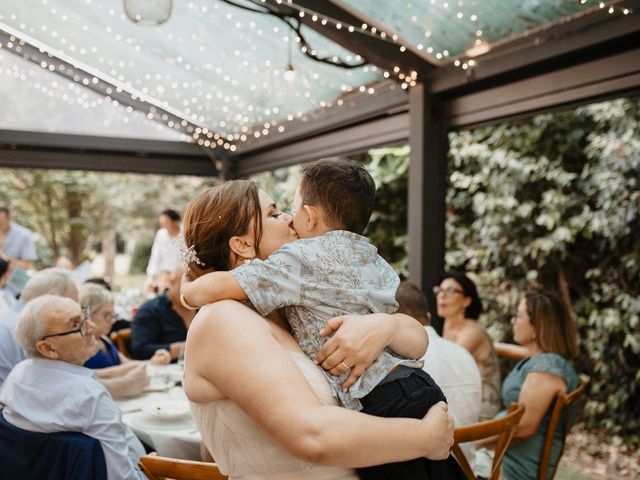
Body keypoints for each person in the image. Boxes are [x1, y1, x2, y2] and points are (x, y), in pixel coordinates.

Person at [181, 179, 456, 480]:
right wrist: (426, 438)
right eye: (274, 213)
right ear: (243, 244)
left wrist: (387, 326)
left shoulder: (287, 307)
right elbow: (311, 436)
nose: (289, 218)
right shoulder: (223, 319)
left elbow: (419, 340)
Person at [0, 295, 146, 479]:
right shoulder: (89, 396)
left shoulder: (17, 375)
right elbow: (121, 476)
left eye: (84, 316)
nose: (91, 326)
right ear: (47, 348)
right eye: (77, 325)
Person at [396, 280, 482, 467]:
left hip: (439, 470)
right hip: (469, 468)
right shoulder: (463, 353)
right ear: (427, 316)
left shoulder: (400, 363)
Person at [498, 291, 580, 480]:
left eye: (518, 316)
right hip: (507, 455)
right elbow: (522, 353)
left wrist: (473, 440)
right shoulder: (544, 360)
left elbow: (523, 428)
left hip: (511, 468)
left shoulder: (546, 370)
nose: (513, 321)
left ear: (538, 327)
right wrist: (492, 346)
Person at [79, 283, 171, 398]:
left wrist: (152, 362)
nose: (112, 321)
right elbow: (84, 378)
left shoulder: (104, 340)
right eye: (106, 315)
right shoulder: (80, 346)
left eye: (113, 315)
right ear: (87, 315)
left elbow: (126, 363)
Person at [435, 272, 501, 421]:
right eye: (440, 290)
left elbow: (446, 366)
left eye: (451, 291)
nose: (442, 296)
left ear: (466, 301)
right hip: (460, 397)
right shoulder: (448, 328)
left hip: (482, 408)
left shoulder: (473, 333)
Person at [0, 267, 78, 384]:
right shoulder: (32, 330)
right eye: (72, 303)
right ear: (52, 297)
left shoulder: (6, 320)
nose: (75, 313)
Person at [131, 266, 193, 361]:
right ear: (172, 283)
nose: (194, 289)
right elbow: (140, 351)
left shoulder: (203, 308)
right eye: (190, 283)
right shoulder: (150, 310)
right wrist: (182, 348)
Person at [145, 208, 182, 295]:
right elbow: (155, 256)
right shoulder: (161, 234)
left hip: (182, 273)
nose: (163, 225)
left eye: (166, 222)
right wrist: (151, 276)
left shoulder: (186, 233)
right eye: (162, 223)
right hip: (165, 273)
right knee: (161, 286)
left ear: (175, 221)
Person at [0, 205, 37, 272]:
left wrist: (5, 258)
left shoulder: (24, 235)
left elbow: (26, 266)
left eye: (1, 222)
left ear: (9, 217)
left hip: (13, 279)